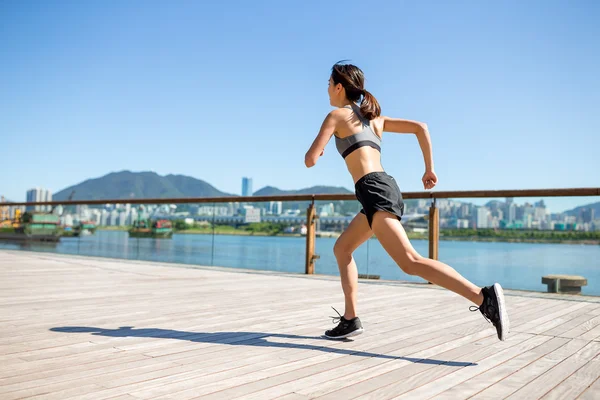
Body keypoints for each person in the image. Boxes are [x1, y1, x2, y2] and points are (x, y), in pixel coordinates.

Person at [304, 62, 509, 341]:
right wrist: (429, 168)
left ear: (339, 87)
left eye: (329, 84)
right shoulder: (375, 119)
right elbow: (421, 128)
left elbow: (310, 160)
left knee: (410, 261)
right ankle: (351, 319)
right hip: (381, 188)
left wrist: (320, 150)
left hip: (374, 191)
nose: (327, 89)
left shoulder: (336, 116)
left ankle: (483, 297)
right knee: (342, 249)